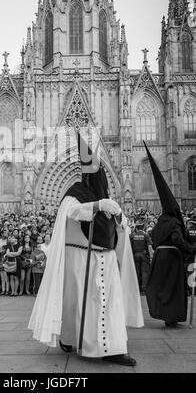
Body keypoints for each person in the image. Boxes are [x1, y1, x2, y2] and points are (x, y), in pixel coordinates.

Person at [29, 132, 143, 367]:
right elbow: (70, 212)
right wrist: (96, 205)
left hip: (106, 259)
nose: (101, 177)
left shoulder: (106, 197)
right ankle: (76, 339)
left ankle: (113, 347)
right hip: (83, 258)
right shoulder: (76, 193)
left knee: (108, 304)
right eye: (98, 172)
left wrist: (120, 217)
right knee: (82, 304)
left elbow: (123, 228)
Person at [144, 142, 196, 328]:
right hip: (172, 258)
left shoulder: (160, 222)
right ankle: (172, 316)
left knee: (162, 286)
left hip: (160, 257)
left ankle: (165, 315)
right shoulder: (174, 222)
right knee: (172, 288)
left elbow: (153, 238)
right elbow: (176, 239)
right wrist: (190, 248)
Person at [130, 220, 153, 294]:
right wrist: (151, 257)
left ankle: (136, 288)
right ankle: (143, 290)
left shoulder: (133, 235)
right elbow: (149, 246)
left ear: (137, 228)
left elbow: (130, 247)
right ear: (143, 228)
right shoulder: (146, 235)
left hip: (135, 255)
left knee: (136, 272)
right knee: (144, 272)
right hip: (143, 255)